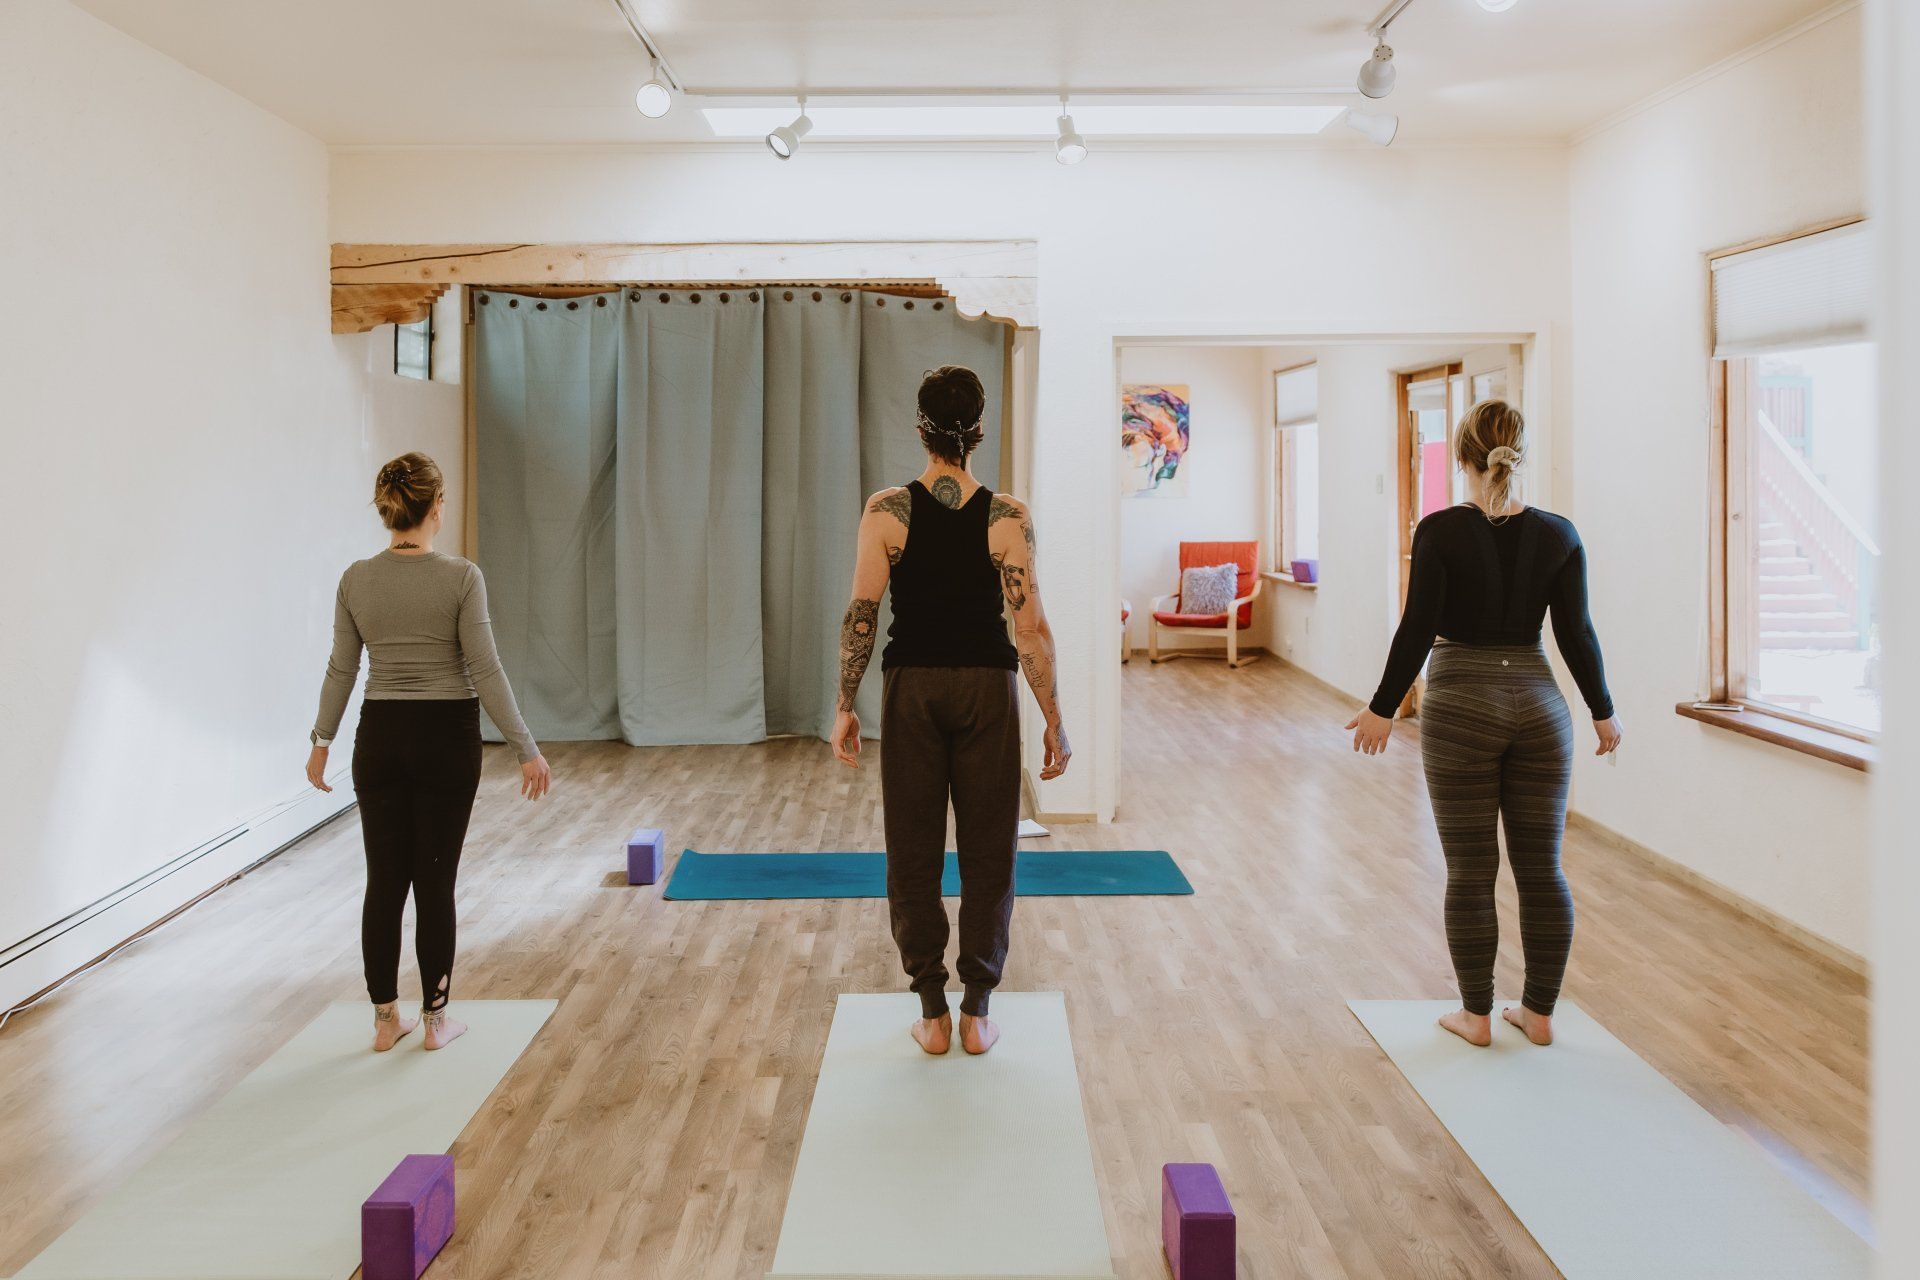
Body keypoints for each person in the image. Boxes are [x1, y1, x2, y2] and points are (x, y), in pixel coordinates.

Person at [1347, 401, 1622, 1048]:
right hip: (1540, 705)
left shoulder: (1440, 530)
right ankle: (1540, 1014)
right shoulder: (1560, 534)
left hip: (1461, 702)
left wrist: (1383, 707)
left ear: (1465, 458)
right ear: (1517, 455)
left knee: (1471, 869)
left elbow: (1418, 626)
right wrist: (1603, 710)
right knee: (1542, 869)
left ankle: (1476, 1017)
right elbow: (1575, 632)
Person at [830, 365, 1070, 1057]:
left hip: (911, 690)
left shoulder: (886, 511)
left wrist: (845, 703)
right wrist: (1053, 717)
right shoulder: (1008, 517)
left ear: (920, 429)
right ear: (979, 432)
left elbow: (861, 617)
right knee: (991, 854)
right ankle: (978, 1012)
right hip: (988, 692)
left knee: (912, 853)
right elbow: (1030, 630)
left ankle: (933, 1013)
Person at [306, 452, 551, 1052]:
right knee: (434, 884)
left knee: (383, 883)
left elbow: (342, 669)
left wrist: (320, 742)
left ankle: (386, 1021)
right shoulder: (462, 577)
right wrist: (527, 747)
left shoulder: (356, 579)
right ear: (436, 506)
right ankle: (437, 1023)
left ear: (390, 509)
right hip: (446, 739)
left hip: (380, 738)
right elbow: (485, 670)